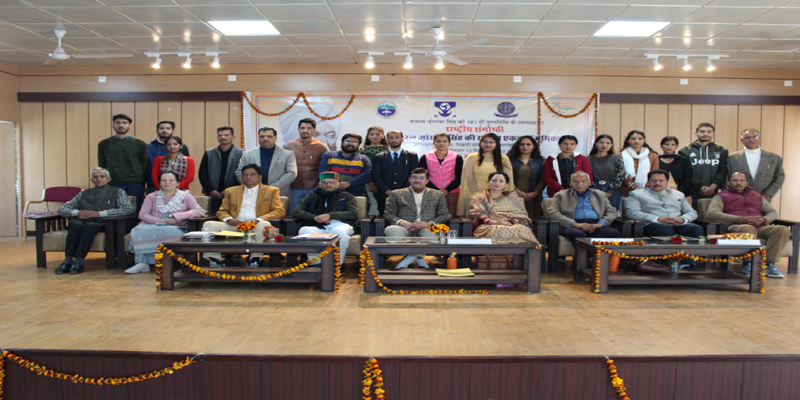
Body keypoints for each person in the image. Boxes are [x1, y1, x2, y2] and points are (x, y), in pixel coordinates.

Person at [706, 172, 789, 278]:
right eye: (735, 180)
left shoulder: (756, 195)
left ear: (746, 183)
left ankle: (769, 264)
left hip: (759, 227)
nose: (738, 183)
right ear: (729, 182)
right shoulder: (722, 196)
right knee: (748, 229)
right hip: (736, 227)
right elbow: (712, 213)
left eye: (742, 180)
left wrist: (764, 220)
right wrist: (740, 219)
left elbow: (772, 212)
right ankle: (748, 263)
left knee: (782, 229)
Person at [202, 164, 286, 267]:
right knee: (208, 224)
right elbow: (221, 212)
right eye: (245, 174)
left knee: (264, 225)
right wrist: (230, 220)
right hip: (235, 225)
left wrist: (259, 220)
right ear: (241, 177)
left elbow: (279, 211)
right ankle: (214, 260)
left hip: (256, 226)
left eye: (252, 174)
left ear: (259, 177)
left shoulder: (271, 191)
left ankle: (254, 259)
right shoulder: (231, 191)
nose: (248, 177)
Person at [55, 167, 134, 274]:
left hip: (103, 222)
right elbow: (62, 210)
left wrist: (99, 214)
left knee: (90, 226)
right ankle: (68, 260)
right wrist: (77, 213)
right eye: (95, 177)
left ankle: (79, 261)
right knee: (75, 224)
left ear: (109, 179)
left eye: (102, 176)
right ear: (92, 180)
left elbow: (127, 209)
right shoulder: (84, 193)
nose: (99, 179)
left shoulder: (118, 192)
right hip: (82, 220)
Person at [125, 171, 206, 274]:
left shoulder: (186, 196)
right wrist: (159, 221)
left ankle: (161, 262)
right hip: (152, 224)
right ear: (159, 183)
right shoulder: (151, 196)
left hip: (175, 226)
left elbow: (199, 211)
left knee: (171, 232)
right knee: (138, 230)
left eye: (171, 180)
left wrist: (177, 217)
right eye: (164, 180)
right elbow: (142, 214)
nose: (167, 183)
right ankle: (142, 263)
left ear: (177, 183)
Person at [626, 169, 702, 269]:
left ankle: (686, 263)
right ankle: (667, 263)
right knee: (665, 229)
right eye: (654, 180)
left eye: (661, 180)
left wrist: (683, 220)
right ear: (648, 182)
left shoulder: (678, 194)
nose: (657, 183)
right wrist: (658, 219)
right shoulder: (637, 194)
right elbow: (631, 212)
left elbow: (692, 212)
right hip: (652, 225)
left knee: (695, 229)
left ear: (666, 182)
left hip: (678, 224)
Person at [384, 168, 451, 269]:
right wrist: (402, 222)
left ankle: (408, 260)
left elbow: (444, 215)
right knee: (390, 230)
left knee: (437, 232)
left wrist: (428, 223)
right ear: (409, 179)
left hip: (426, 227)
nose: (417, 180)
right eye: (414, 177)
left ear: (427, 180)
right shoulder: (396, 194)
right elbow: (389, 214)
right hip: (405, 227)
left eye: (421, 178)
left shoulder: (438, 194)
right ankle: (418, 258)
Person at [292, 172, 358, 263]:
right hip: (318, 226)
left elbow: (353, 213)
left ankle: (336, 264)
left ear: (338, 184)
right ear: (319, 184)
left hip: (340, 225)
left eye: (332, 182)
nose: (328, 184)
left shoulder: (347, 196)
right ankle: (317, 264)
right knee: (304, 230)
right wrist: (316, 217)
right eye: (325, 182)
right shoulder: (311, 196)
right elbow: (296, 212)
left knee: (340, 232)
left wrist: (330, 216)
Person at [546, 171, 621, 246]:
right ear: (571, 183)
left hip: (596, 224)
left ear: (589, 183)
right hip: (574, 225)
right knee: (575, 234)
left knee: (613, 233)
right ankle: (588, 254)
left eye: (583, 181)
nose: (579, 184)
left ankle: (600, 253)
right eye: (575, 181)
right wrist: (575, 224)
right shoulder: (561, 195)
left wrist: (601, 223)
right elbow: (551, 212)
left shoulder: (600, 194)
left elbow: (612, 212)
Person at [469, 171, 539, 244]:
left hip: (511, 224)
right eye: (494, 180)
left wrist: (511, 222)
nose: (497, 183)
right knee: (498, 230)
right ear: (488, 183)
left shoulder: (513, 198)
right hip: (489, 225)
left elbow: (521, 216)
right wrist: (495, 222)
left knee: (523, 230)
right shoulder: (479, 198)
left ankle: (527, 251)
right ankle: (498, 251)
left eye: (501, 181)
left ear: (506, 185)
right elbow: (477, 214)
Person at [97, 114, 148, 210]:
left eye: (124, 123)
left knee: (135, 210)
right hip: (112, 182)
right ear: (113, 125)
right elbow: (102, 164)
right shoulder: (104, 144)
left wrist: (142, 181)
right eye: (118, 122)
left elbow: (144, 164)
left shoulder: (140, 144)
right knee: (112, 211)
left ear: (129, 125)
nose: (121, 125)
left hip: (134, 183)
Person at [457, 132, 514, 215]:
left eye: (492, 142)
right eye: (485, 141)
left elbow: (507, 179)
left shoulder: (503, 158)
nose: (488, 144)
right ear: (481, 143)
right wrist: (478, 195)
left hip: (497, 198)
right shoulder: (472, 157)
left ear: (497, 144)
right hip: (475, 197)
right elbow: (469, 178)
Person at [284, 118, 330, 213]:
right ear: (298, 129)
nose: (305, 130)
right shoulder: (287, 146)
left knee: (314, 215)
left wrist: (321, 184)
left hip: (314, 188)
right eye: (302, 128)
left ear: (314, 130)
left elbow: (327, 167)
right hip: (293, 189)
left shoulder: (322, 147)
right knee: (294, 215)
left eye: (309, 128)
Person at [236, 127, 298, 199]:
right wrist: (252, 186)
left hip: (278, 193)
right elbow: (239, 172)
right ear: (258, 138)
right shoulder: (247, 154)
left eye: (269, 136)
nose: (265, 139)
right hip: (252, 194)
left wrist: (270, 188)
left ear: (275, 138)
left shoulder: (287, 154)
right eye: (262, 136)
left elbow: (291, 173)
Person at [727, 128, 785, 202]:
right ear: (742, 140)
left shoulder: (774, 158)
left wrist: (768, 194)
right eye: (748, 137)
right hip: (736, 199)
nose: (751, 140)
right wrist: (729, 195)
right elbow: (726, 178)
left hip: (763, 199)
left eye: (755, 137)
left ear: (760, 139)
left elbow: (779, 177)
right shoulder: (732, 158)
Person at [679, 122, 728, 207]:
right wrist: (701, 186)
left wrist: (713, 186)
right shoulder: (685, 151)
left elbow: (723, 170)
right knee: (693, 214)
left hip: (714, 190)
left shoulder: (721, 150)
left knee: (712, 213)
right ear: (696, 133)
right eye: (702, 131)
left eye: (709, 131)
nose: (705, 134)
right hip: (692, 191)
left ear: (713, 133)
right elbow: (686, 171)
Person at [198, 126, 244, 214]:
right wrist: (210, 190)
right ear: (217, 137)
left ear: (233, 136)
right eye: (220, 135)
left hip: (233, 194)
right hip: (212, 194)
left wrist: (229, 190)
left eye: (226, 135)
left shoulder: (242, 153)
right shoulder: (209, 153)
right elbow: (202, 173)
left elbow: (243, 174)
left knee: (231, 217)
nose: (223, 137)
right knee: (212, 217)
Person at [372, 130, 419, 214]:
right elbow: (376, 176)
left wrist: (402, 191)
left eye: (397, 137)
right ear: (387, 140)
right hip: (385, 195)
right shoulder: (379, 157)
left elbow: (414, 175)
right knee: (385, 218)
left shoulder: (411, 156)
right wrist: (386, 190)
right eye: (391, 138)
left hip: (406, 195)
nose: (394, 140)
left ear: (402, 139)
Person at [418, 133, 463, 216]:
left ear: (449, 143)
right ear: (434, 143)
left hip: (451, 192)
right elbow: (422, 177)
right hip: (430, 192)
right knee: (430, 216)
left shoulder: (457, 157)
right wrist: (436, 190)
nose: (441, 143)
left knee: (451, 216)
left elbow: (460, 177)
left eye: (444, 141)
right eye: (438, 141)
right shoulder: (425, 157)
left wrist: (447, 190)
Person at [146, 121, 189, 193]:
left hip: (179, 188)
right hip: (154, 186)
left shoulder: (183, 147)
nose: (165, 130)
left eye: (168, 128)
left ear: (173, 130)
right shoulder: (148, 146)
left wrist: (175, 187)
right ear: (157, 130)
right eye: (162, 128)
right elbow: (145, 166)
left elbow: (186, 168)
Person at [507, 135, 545, 218]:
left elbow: (543, 179)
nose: (525, 146)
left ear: (533, 146)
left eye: (528, 144)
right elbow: (507, 178)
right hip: (513, 196)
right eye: (522, 144)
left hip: (534, 198)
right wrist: (517, 192)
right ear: (518, 146)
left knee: (534, 220)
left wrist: (535, 192)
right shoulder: (509, 160)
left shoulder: (541, 161)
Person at [588, 134, 624, 210]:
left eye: (608, 143)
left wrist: (610, 191)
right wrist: (594, 190)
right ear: (596, 143)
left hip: (613, 189)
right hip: (593, 189)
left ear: (611, 145)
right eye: (601, 142)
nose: (604, 145)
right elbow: (587, 176)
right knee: (595, 211)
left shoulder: (616, 158)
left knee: (612, 211)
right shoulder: (588, 159)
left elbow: (619, 176)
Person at [620, 130, 659, 198]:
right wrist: (636, 188)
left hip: (648, 192)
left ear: (644, 141)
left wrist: (646, 188)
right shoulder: (620, 155)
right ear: (628, 141)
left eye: (640, 139)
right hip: (626, 192)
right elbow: (621, 174)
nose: (637, 141)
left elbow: (654, 174)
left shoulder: (653, 156)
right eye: (633, 139)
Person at [359, 126, 389, 215]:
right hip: (366, 182)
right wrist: (369, 182)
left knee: (384, 206)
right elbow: (361, 168)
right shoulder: (361, 150)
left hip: (385, 183)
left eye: (377, 134)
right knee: (369, 206)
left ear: (383, 136)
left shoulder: (389, 149)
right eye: (371, 134)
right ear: (368, 136)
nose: (374, 136)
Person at [658, 136, 693, 204]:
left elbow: (688, 177)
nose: (669, 147)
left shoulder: (683, 160)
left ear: (676, 146)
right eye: (666, 144)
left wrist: (679, 191)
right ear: (661, 146)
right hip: (661, 193)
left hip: (682, 192)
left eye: (673, 144)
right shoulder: (657, 159)